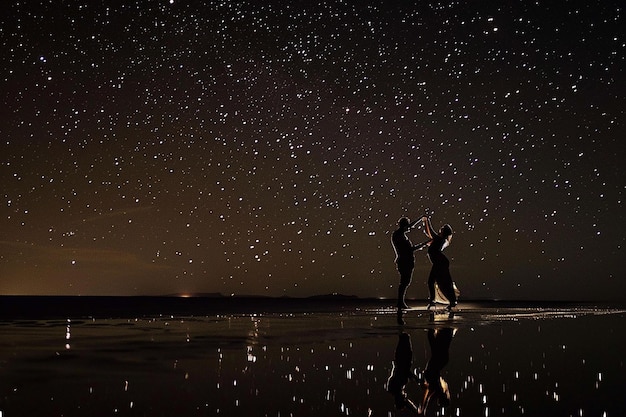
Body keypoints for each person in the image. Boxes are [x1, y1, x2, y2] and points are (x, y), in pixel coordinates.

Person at [392, 217, 430, 309]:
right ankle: (400, 302)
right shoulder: (399, 235)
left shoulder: (398, 235)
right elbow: (410, 249)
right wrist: (424, 244)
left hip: (405, 261)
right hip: (405, 261)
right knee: (404, 282)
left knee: (405, 282)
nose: (409, 228)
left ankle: (401, 302)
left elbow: (410, 226)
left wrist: (420, 219)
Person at [422, 216, 458, 310]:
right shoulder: (439, 239)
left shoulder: (440, 239)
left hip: (440, 262)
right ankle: (447, 301)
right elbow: (428, 232)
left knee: (438, 282)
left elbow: (430, 231)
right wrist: (426, 222)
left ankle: (434, 301)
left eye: (442, 229)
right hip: (439, 262)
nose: (440, 230)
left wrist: (427, 221)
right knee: (440, 282)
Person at [386, 332, 419, 413]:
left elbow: (404, 371)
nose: (405, 396)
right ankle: (401, 323)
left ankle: (401, 322)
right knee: (404, 336)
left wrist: (416, 379)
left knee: (405, 336)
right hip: (402, 359)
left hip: (403, 358)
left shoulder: (396, 386)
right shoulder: (393, 388)